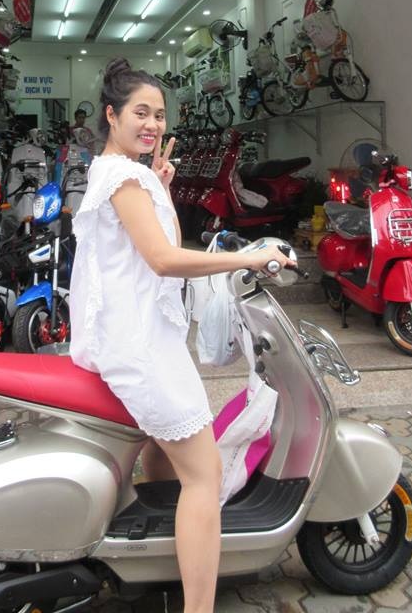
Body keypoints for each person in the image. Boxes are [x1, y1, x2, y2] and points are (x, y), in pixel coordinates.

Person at [69, 58, 293, 613]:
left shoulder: (120, 171)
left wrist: (163, 186)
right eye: (140, 113)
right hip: (138, 346)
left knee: (164, 457)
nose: (153, 124)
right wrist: (251, 256)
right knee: (205, 475)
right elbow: (165, 259)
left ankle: (163, 561)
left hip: (133, 336)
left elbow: (157, 242)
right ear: (111, 115)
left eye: (160, 115)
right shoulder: (124, 177)